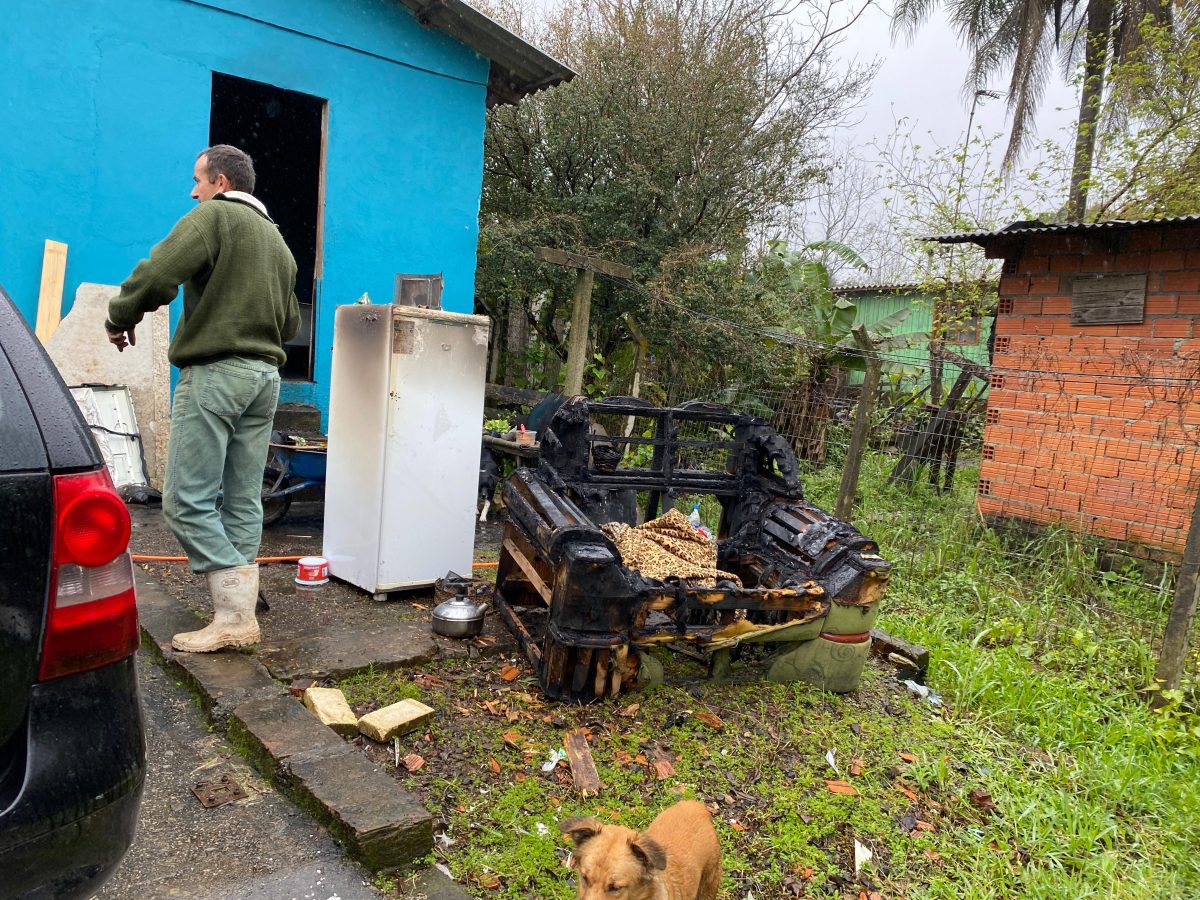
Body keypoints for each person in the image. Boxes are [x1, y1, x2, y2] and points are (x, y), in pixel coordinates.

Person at [106, 144, 300, 653]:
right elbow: (292, 324)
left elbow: (156, 274)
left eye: (198, 180)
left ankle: (235, 609)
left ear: (220, 182)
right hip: (265, 379)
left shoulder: (214, 218)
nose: (193, 191)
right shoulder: (279, 243)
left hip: (216, 373)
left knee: (185, 502)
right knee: (241, 498)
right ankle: (237, 613)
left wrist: (119, 317)